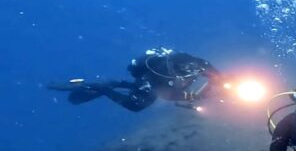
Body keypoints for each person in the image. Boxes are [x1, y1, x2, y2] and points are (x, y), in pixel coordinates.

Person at [47, 47, 223, 112]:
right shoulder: (162, 73)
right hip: (153, 83)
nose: (193, 72)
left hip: (164, 85)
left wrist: (221, 80)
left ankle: (119, 84)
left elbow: (213, 72)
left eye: (194, 69)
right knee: (136, 105)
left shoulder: (197, 63)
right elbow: (167, 95)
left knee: (137, 90)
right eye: (187, 71)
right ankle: (103, 88)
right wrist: (191, 97)